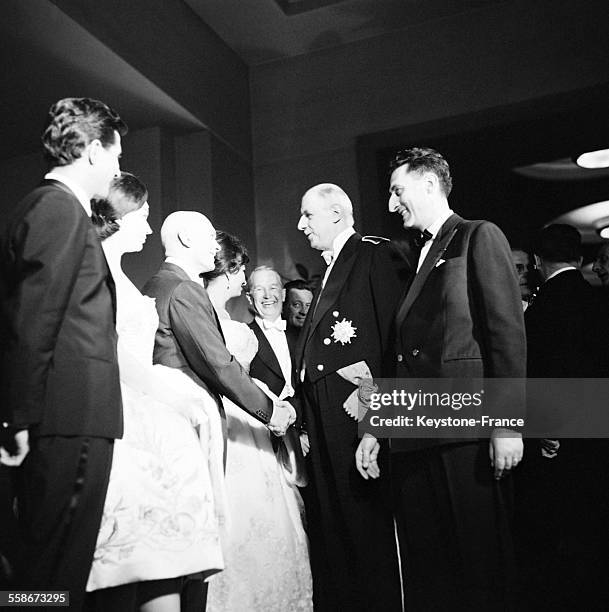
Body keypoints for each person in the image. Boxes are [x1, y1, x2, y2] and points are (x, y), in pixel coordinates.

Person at [0, 97, 126, 610]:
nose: (119, 169)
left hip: (70, 414)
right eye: (117, 156)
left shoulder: (55, 208)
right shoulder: (56, 208)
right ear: (94, 151)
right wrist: (20, 417)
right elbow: (34, 318)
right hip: (65, 416)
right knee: (50, 570)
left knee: (53, 568)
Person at [387, 147, 525, 611]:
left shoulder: (478, 236)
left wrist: (507, 425)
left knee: (480, 563)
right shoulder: (409, 256)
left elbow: (505, 334)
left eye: (398, 191)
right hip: (418, 435)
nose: (391, 204)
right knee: (437, 570)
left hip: (466, 431)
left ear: (429, 184)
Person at [86, 173, 225, 612]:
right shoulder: (94, 274)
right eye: (143, 218)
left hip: (152, 425)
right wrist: (175, 394)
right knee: (125, 569)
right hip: (121, 418)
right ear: (120, 217)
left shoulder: (126, 277)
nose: (149, 230)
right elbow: (110, 352)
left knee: (162, 568)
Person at [295, 183, 403, 611]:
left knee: (364, 526)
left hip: (355, 412)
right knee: (336, 527)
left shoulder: (373, 254)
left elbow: (390, 344)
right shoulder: (329, 269)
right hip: (323, 417)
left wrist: (376, 421)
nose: (301, 225)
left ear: (337, 214)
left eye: (308, 215)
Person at [205, 243, 312, 612]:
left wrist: (300, 422)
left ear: (283, 295)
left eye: (273, 289)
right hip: (251, 423)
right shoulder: (219, 324)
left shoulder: (303, 336)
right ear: (248, 296)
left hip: (297, 434)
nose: (266, 297)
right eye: (257, 289)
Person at [518, 224, 609, 610]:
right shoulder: (600, 301)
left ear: (538, 261)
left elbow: (538, 373)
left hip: (558, 434)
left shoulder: (539, 311)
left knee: (562, 526)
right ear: (579, 257)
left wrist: (546, 428)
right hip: (599, 424)